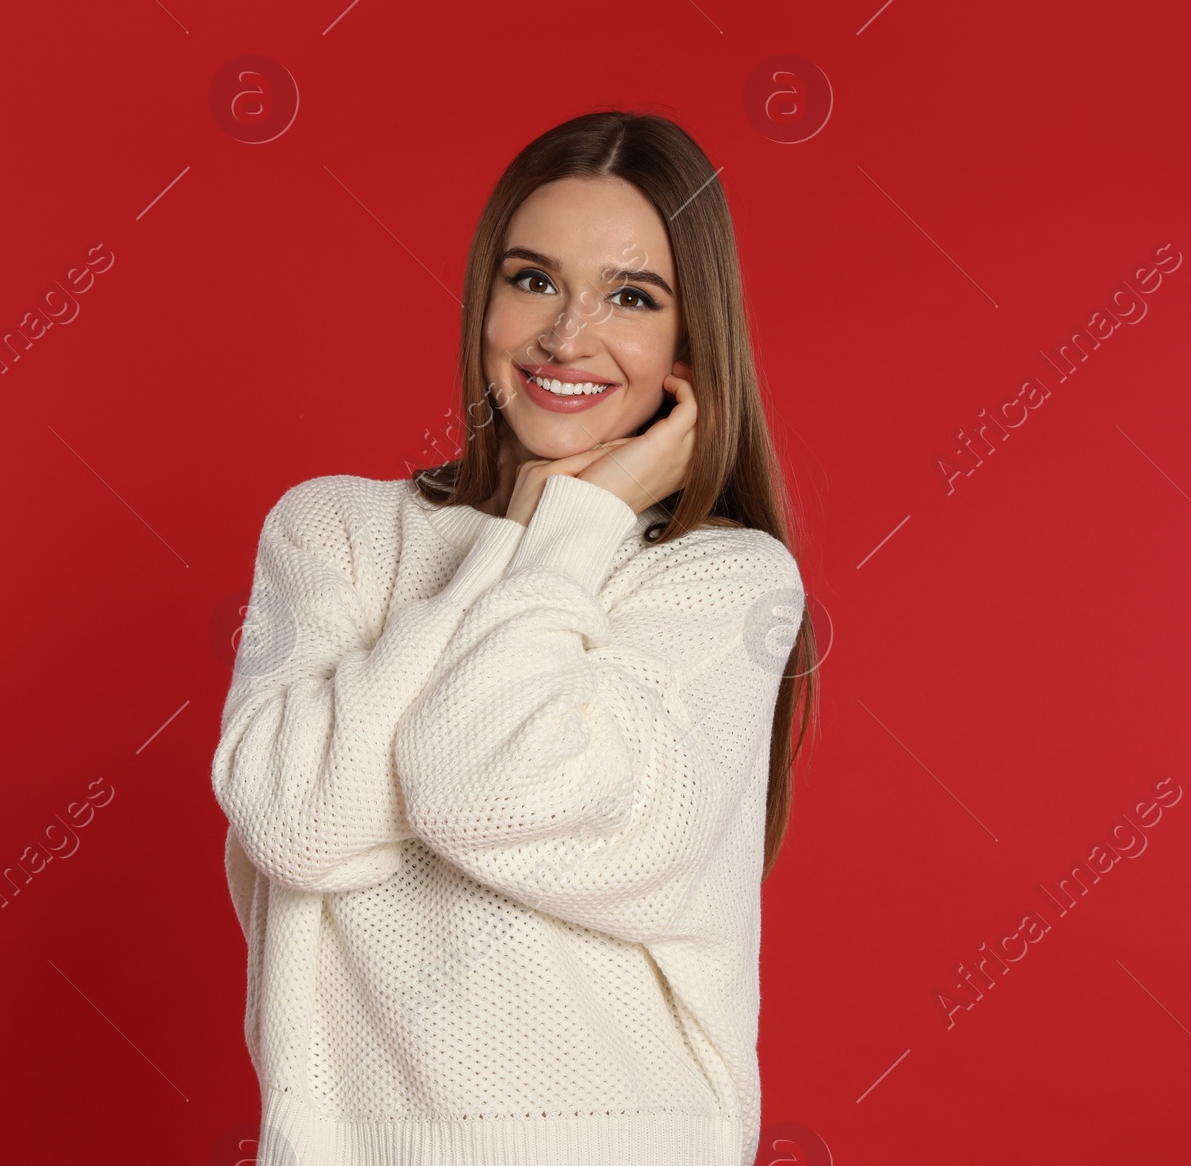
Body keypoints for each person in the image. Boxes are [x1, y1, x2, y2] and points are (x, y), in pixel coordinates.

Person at [211, 110, 819, 1166]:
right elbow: (300, 823)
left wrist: (572, 531)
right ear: (483, 298)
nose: (566, 336)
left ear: (689, 342)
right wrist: (537, 538)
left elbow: (482, 789)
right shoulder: (332, 530)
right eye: (531, 279)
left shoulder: (723, 581)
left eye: (631, 297)